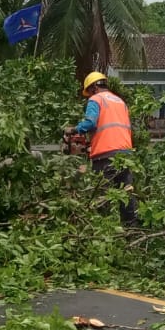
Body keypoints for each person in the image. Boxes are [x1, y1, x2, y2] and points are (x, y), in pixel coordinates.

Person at [69, 71, 137, 225]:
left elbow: (91, 123)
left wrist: (75, 129)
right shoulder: (120, 102)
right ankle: (131, 229)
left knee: (101, 195)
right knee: (126, 193)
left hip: (105, 155)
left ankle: (101, 230)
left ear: (93, 88)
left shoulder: (96, 99)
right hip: (125, 154)